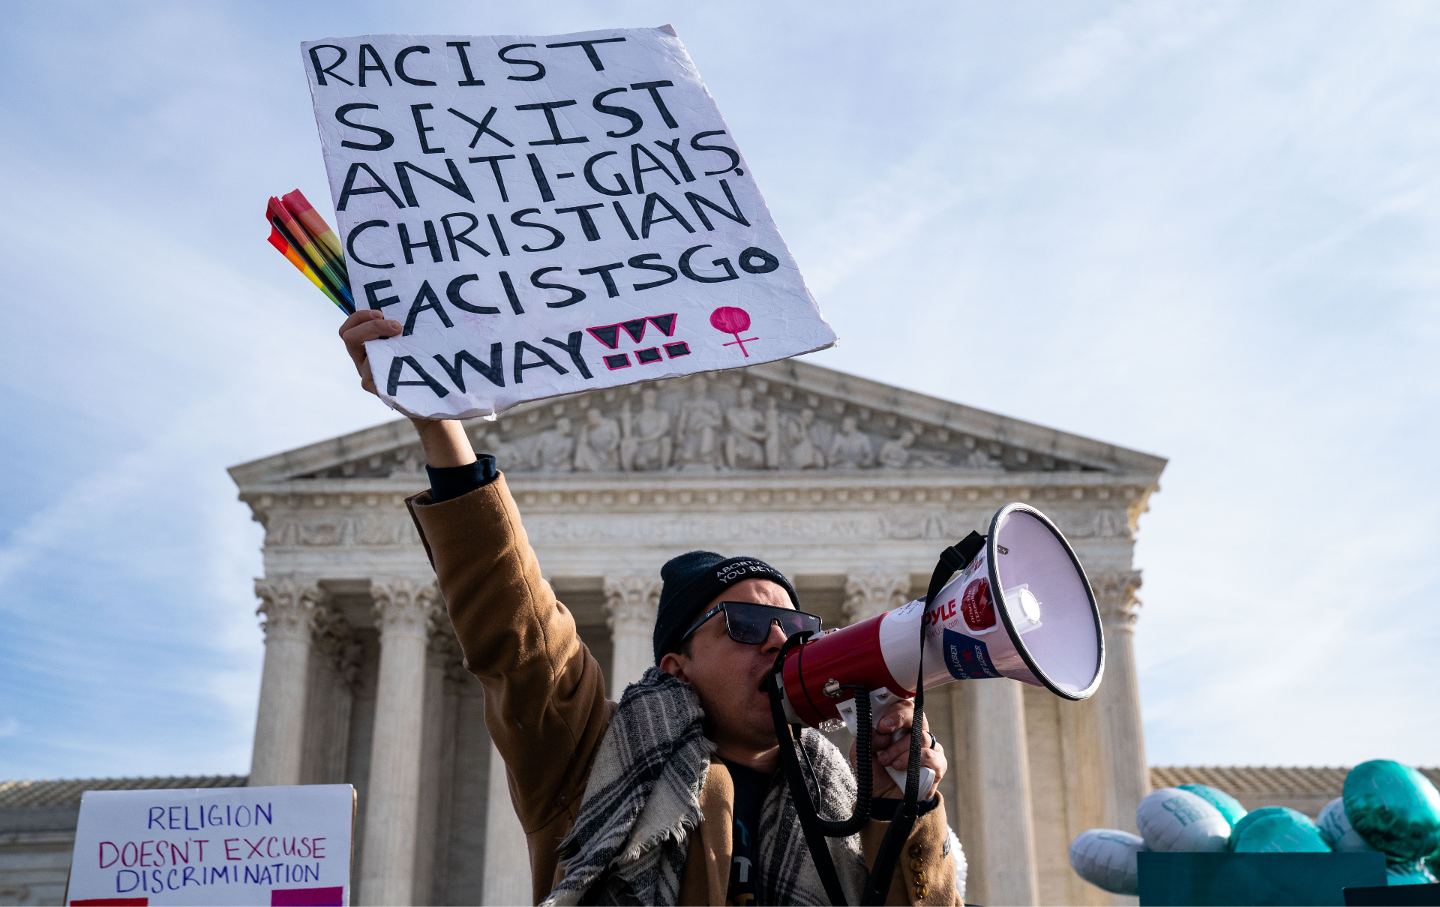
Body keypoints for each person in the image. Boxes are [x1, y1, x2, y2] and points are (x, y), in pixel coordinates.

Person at [339, 311, 961, 905]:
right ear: (675, 664)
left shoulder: (848, 798)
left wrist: (904, 802)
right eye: (745, 625)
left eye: (799, 629)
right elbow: (517, 631)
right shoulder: (589, 759)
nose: (780, 642)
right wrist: (440, 426)